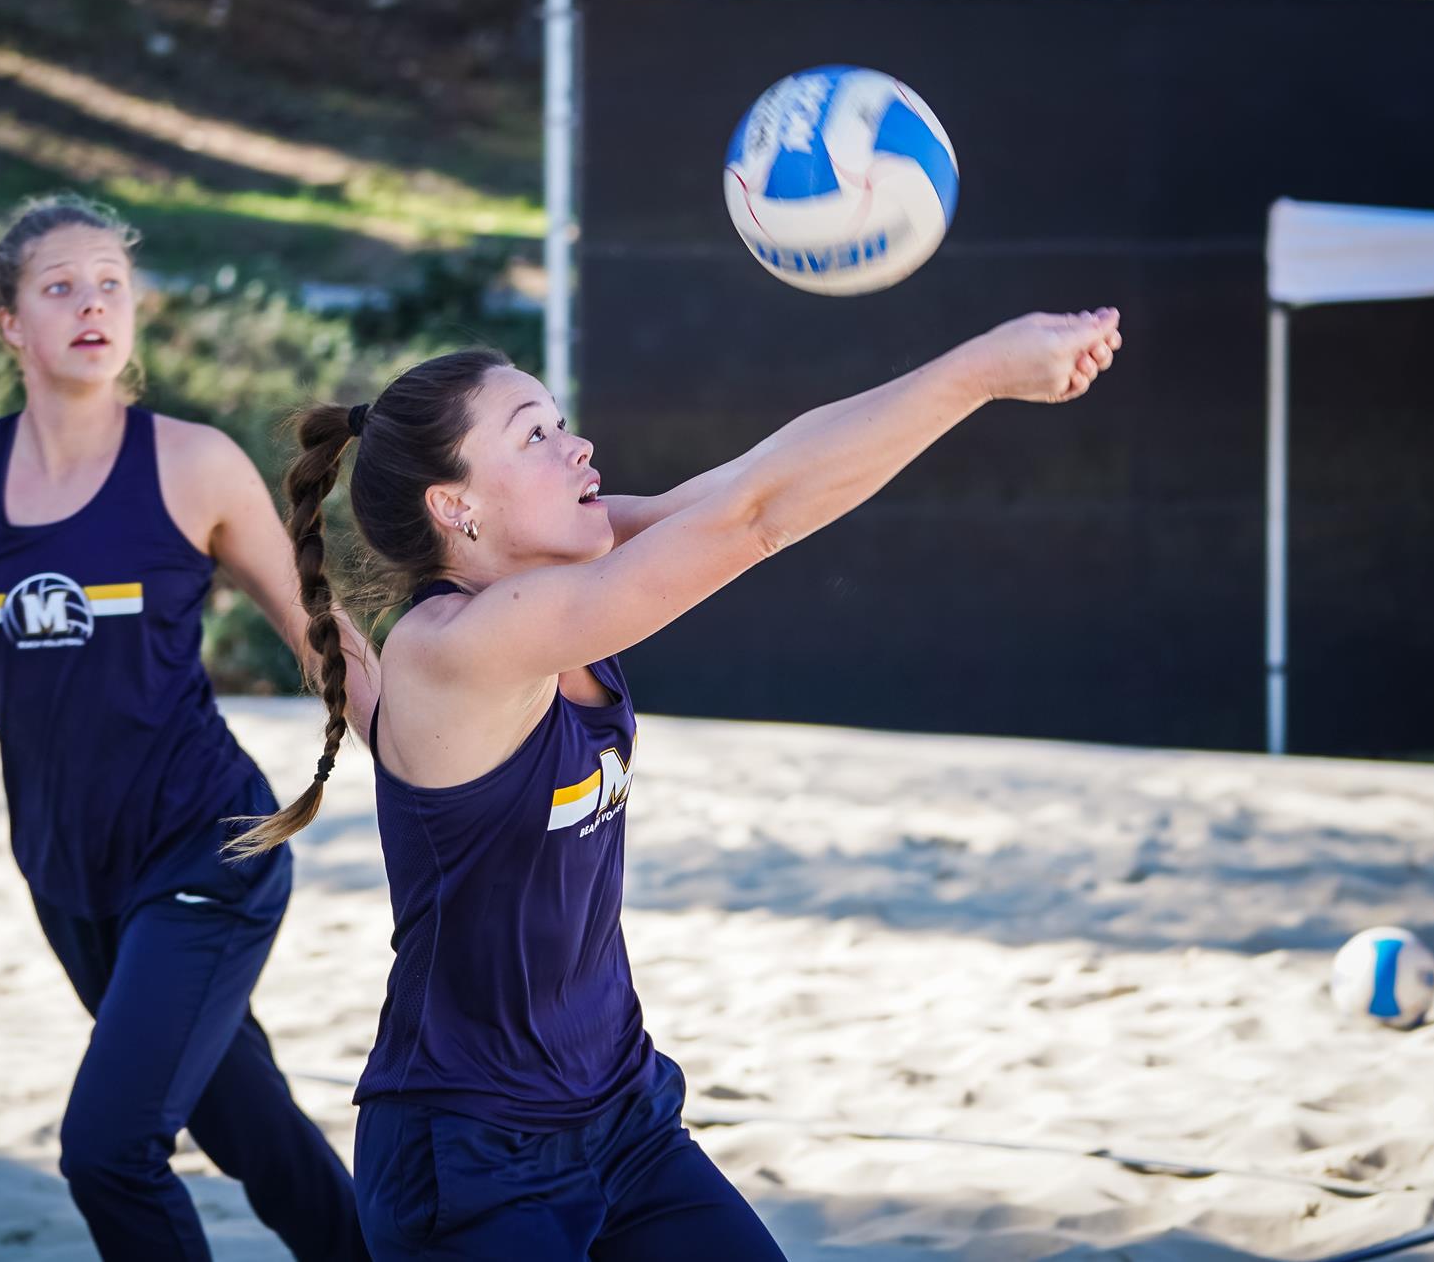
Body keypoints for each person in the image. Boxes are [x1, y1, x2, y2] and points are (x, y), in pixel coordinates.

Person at [228, 308, 1124, 1258]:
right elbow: (756, 521)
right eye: (535, 435)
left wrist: (970, 386)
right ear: (457, 507)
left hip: (624, 1116)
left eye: (561, 422)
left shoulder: (572, 562)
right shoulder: (457, 648)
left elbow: (757, 485)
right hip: (475, 1156)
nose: (579, 447)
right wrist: (980, 369)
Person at [0, 195, 375, 1262]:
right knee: (250, 1130)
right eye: (59, 286)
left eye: (111, 284)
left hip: (208, 846)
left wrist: (424, 742)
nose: (92, 304)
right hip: (65, 871)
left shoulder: (192, 463)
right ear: (7, 323)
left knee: (107, 1150)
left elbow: (318, 634)